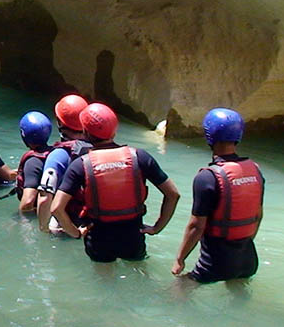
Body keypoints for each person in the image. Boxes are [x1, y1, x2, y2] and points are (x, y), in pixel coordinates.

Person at [50, 103, 180, 262]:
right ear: (114, 130)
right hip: (133, 237)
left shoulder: (80, 165)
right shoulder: (140, 157)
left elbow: (56, 208)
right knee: (137, 270)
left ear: (85, 132)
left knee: (104, 275)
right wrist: (157, 228)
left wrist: (75, 233)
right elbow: (173, 194)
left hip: (98, 239)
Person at [172, 108, 264, 283]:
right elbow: (258, 215)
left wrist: (180, 259)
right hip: (248, 259)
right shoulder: (255, 170)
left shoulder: (207, 177)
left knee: (179, 287)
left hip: (215, 263)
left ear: (209, 136)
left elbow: (196, 226)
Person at [37, 94, 93, 234]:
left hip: (69, 226)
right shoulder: (100, 148)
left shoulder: (59, 155)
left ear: (60, 123)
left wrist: (43, 229)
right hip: (98, 223)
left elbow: (45, 197)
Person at [14, 111, 54, 214]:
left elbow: (28, 202)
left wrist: (19, 218)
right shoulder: (56, 153)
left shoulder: (32, 163)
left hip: (37, 214)